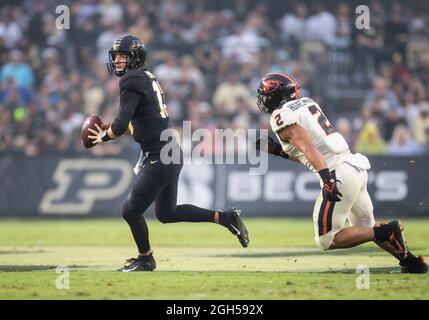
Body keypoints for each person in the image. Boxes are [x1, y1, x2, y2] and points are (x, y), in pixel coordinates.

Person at [88, 35, 249, 272]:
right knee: (167, 213)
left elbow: (122, 125)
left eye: (123, 56)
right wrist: (110, 128)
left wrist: (104, 136)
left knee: (130, 211)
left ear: (134, 57)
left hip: (159, 156)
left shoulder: (130, 79)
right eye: (116, 57)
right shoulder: (146, 76)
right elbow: (141, 125)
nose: (118, 61)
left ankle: (145, 258)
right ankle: (225, 218)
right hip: (170, 152)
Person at [255, 71, 427, 273]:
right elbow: (309, 152)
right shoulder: (306, 103)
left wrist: (327, 179)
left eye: (265, 92)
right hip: (353, 167)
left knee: (326, 239)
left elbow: (310, 149)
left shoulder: (280, 115)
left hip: (337, 173)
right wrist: (278, 151)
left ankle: (387, 232)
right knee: (367, 228)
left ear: (276, 94)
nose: (262, 98)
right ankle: (411, 262)